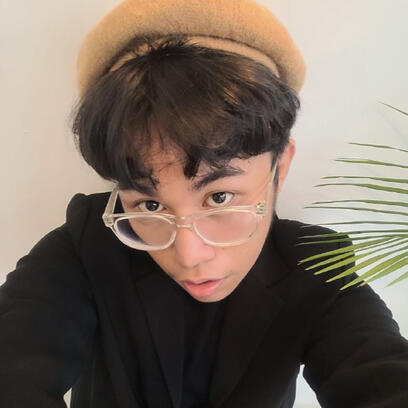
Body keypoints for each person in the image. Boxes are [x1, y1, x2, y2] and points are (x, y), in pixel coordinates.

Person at [1, 0, 407, 407]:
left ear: (279, 168)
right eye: (149, 205)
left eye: (219, 197)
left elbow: (380, 372)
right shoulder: (86, 246)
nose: (189, 255)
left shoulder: (315, 266)